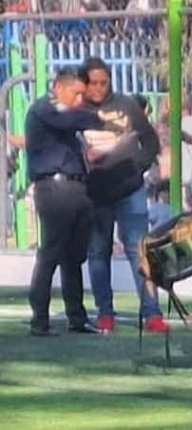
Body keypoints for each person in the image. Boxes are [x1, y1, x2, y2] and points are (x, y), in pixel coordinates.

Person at [79, 57, 167, 334]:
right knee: (98, 253)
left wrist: (137, 166)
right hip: (95, 193)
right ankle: (105, 313)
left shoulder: (127, 105)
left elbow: (150, 141)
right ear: (83, 83)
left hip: (130, 190)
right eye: (93, 83)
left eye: (103, 83)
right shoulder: (76, 110)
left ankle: (152, 313)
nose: (98, 88)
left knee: (139, 251)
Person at [25, 67, 104, 336]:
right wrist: (101, 118)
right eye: (76, 93)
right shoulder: (44, 109)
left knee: (73, 256)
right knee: (51, 253)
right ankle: (39, 319)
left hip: (77, 188)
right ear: (59, 87)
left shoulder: (69, 120)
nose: (79, 100)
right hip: (54, 188)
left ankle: (76, 317)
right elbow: (68, 120)